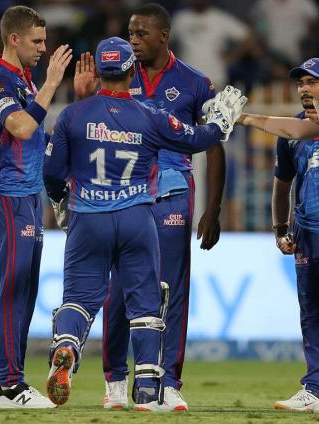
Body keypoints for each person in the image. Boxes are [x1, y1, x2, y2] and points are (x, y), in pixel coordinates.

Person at [42, 36, 246, 411]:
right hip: (137, 217)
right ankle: (150, 390)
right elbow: (197, 138)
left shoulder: (73, 115)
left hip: (88, 217)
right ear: (131, 71)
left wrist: (60, 199)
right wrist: (221, 121)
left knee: (80, 299)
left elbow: (51, 172)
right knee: (146, 303)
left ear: (98, 72)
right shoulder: (150, 115)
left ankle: (67, 346)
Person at [95, 3, 226, 411]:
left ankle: (168, 381)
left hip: (172, 192)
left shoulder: (193, 82)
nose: (133, 40)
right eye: (130, 32)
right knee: (119, 289)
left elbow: (213, 143)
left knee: (171, 289)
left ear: (164, 36)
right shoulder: (118, 77)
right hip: (123, 192)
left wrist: (213, 208)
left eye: (141, 33)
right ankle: (116, 378)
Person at [0, 5, 72, 409]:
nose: (44, 48)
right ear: (14, 39)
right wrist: (52, 84)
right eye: (38, 41)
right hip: (6, 196)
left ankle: (8, 382)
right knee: (11, 288)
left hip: (24, 194)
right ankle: (8, 385)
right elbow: (22, 128)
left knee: (24, 289)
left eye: (45, 40)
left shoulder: (21, 79)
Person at [269, 58, 319, 414]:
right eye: (300, 83)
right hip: (306, 233)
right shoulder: (292, 133)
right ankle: (315, 390)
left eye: (312, 82)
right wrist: (280, 226)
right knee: (313, 313)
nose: (304, 89)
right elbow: (282, 182)